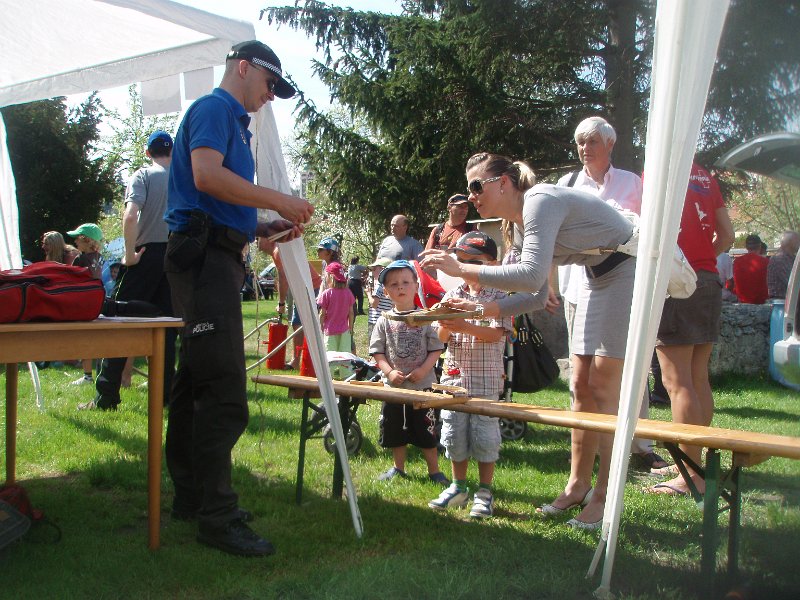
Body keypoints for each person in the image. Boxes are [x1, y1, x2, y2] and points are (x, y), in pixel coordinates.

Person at [421, 152, 635, 529]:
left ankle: (605, 495)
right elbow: (537, 296)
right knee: (580, 386)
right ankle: (577, 485)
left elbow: (531, 274)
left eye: (476, 186)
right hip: (595, 275)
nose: (471, 197)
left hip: (626, 268)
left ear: (503, 182)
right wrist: (477, 312)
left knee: (603, 387)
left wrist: (461, 269)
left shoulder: (539, 201)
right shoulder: (519, 226)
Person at [163, 40, 313, 557]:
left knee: (193, 383)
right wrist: (278, 199)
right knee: (224, 392)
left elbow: (214, 197)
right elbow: (206, 175)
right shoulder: (214, 108)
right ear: (243, 68)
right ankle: (217, 516)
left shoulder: (231, 118)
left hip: (212, 256)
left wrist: (263, 225)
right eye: (270, 85)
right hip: (204, 262)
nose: (271, 97)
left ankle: (192, 497)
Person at [556, 116, 666, 470]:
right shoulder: (567, 184)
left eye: (591, 142)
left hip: (622, 287)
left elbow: (648, 231)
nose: (584, 149)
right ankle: (587, 446)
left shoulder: (633, 183)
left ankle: (641, 444)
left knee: (631, 367)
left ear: (610, 144)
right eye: (579, 143)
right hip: (577, 288)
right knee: (582, 374)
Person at [647, 163, 734, 497]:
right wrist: (700, 262)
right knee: (698, 377)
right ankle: (692, 463)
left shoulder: (656, 173)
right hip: (709, 279)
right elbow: (727, 235)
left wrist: (684, 267)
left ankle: (690, 474)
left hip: (677, 283)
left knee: (676, 381)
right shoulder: (703, 175)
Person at [88, 131, 177, 412]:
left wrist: (128, 254)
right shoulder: (183, 178)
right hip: (176, 257)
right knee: (167, 330)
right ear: (172, 152)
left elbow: (130, 215)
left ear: (148, 153)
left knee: (120, 324)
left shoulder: (143, 175)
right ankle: (164, 397)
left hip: (145, 255)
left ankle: (106, 397)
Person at [428, 232, 512, 518]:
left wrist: (462, 325)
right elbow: (441, 336)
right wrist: (444, 323)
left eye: (474, 261)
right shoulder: (453, 295)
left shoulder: (500, 297)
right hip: (454, 378)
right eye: (461, 261)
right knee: (454, 433)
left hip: (486, 379)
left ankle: (485, 491)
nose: (466, 267)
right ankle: (458, 485)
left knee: (485, 435)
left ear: (493, 263)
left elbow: (495, 334)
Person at [369, 260, 449, 485]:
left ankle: (434, 471)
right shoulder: (384, 320)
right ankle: (398, 467)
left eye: (406, 282)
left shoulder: (424, 318)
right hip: (394, 389)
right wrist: (389, 372)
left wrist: (423, 370)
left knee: (426, 430)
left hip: (422, 389)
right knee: (395, 429)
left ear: (416, 286)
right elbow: (378, 352)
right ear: (386, 291)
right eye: (393, 284)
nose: (400, 287)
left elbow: (436, 349)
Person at [68, 222, 104, 385]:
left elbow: (71, 281)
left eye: (78, 239)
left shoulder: (80, 259)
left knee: (84, 338)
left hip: (81, 302)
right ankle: (96, 373)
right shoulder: (99, 258)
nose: (75, 242)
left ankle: (87, 376)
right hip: (96, 300)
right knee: (95, 338)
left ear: (87, 240)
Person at [318, 262, 355, 364]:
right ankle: (345, 375)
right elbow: (351, 312)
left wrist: (320, 325)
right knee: (345, 355)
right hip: (344, 330)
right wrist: (350, 327)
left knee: (330, 356)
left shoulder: (326, 294)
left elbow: (322, 313)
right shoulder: (348, 293)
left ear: (330, 276)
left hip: (330, 330)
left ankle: (330, 376)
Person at [732, 234, 769, 304]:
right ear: (760, 246)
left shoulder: (737, 262)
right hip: (761, 302)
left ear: (746, 247)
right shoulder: (766, 262)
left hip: (742, 302)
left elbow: (731, 283)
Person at [366, 257, 393, 344]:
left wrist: (368, 293)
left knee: (374, 346)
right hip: (387, 320)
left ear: (382, 269)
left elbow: (374, 304)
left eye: (374, 269)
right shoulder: (390, 284)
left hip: (375, 321)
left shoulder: (379, 284)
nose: (372, 272)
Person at [767, 231, 799, 299]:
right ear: (789, 242)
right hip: (781, 302)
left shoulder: (792, 258)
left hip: (789, 301)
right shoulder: (779, 259)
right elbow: (792, 282)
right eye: (797, 240)